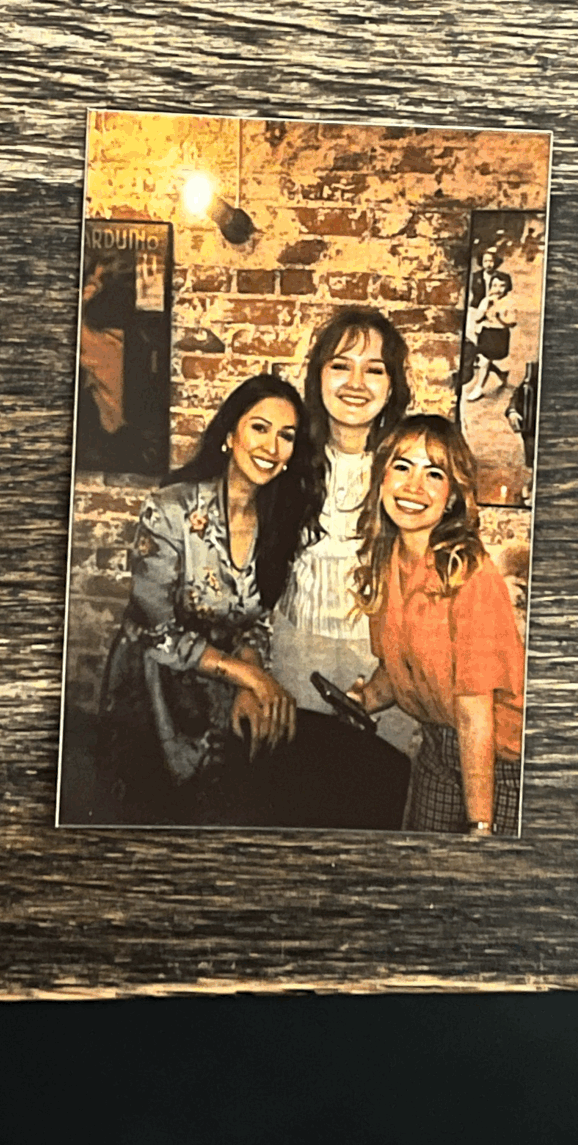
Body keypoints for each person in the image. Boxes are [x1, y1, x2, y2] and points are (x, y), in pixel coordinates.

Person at [96, 374, 319, 825]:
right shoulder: (169, 509)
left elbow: (256, 618)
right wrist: (253, 679)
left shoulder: (279, 520)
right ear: (230, 434)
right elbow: (157, 632)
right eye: (260, 428)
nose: (272, 447)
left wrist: (247, 678)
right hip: (153, 694)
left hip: (220, 695)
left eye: (286, 436)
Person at [347, 415, 525, 836]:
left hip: (499, 760)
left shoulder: (469, 575)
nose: (413, 487)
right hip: (438, 745)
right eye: (402, 467)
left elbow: (474, 713)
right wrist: (365, 698)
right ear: (382, 479)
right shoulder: (387, 561)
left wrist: (481, 824)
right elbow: (400, 667)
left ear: (451, 497)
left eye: (434, 473)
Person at [269, 307, 415, 755]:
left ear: (392, 387)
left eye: (374, 370)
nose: (355, 383)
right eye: (341, 366)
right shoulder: (283, 458)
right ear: (318, 378)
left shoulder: (410, 468)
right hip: (292, 656)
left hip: (381, 667)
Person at [467, 270, 516, 403]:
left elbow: (512, 323)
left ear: (507, 287)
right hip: (485, 334)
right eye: (494, 285)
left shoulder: (509, 302)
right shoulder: (486, 300)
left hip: (499, 336)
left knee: (485, 361)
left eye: (502, 286)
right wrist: (485, 306)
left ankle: (480, 387)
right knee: (484, 361)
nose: (498, 289)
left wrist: (500, 317)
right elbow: (477, 318)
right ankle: (496, 377)